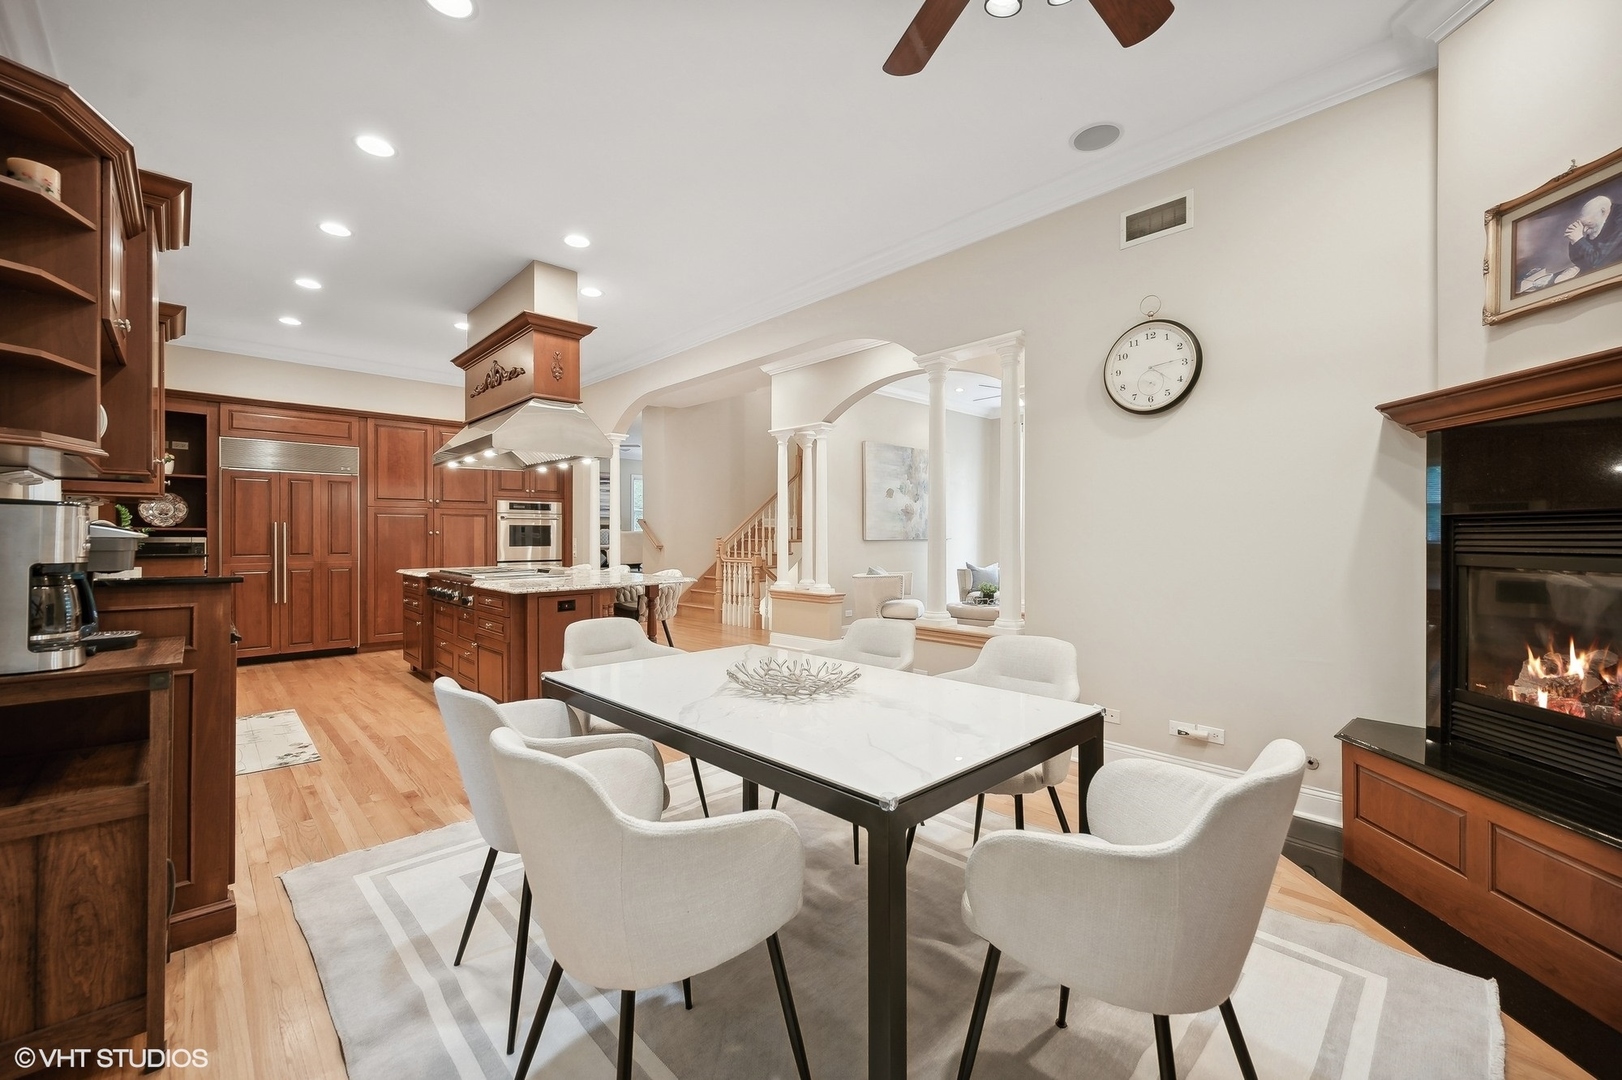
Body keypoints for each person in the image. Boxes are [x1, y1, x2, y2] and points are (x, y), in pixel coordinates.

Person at [1566, 194, 1622, 274]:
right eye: (1583, 225)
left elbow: (1598, 262)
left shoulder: (1619, 223)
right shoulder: (1599, 221)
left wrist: (1578, 239)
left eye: (1589, 224)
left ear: (1603, 211)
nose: (1585, 230)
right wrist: (1574, 240)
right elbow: (1579, 261)